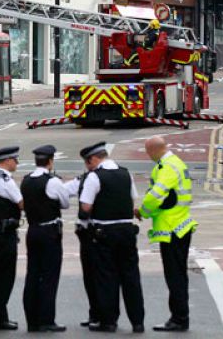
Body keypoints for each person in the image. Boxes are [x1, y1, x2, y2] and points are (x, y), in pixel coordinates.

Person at [78, 142, 144, 333]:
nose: (88, 167)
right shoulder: (125, 173)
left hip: (104, 232)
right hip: (127, 231)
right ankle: (137, 321)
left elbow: (86, 207)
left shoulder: (94, 177)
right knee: (131, 276)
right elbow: (131, 199)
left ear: (93, 159)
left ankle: (109, 321)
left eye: (87, 163)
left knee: (107, 277)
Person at [137, 136, 197, 332]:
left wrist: (142, 211)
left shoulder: (167, 168)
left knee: (175, 277)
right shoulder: (175, 163)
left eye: (148, 153)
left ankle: (179, 319)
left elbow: (157, 195)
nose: (148, 157)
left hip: (173, 229)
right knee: (178, 275)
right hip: (180, 226)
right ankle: (180, 317)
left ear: (153, 150)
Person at [21, 144, 69, 333]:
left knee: (32, 274)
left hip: (32, 230)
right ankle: (47, 319)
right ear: (50, 161)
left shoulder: (26, 180)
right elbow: (64, 203)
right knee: (49, 276)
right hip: (49, 231)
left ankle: (32, 320)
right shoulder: (52, 181)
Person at [0, 146, 23, 331]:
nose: (16, 163)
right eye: (15, 159)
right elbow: (20, 202)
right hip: (4, 234)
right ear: (7, 160)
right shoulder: (5, 179)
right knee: (4, 276)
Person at [63, 154, 100, 329]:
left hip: (95, 232)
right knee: (94, 277)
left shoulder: (93, 178)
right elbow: (66, 190)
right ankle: (97, 314)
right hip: (93, 233)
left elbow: (84, 208)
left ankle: (101, 315)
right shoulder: (86, 178)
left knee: (97, 276)